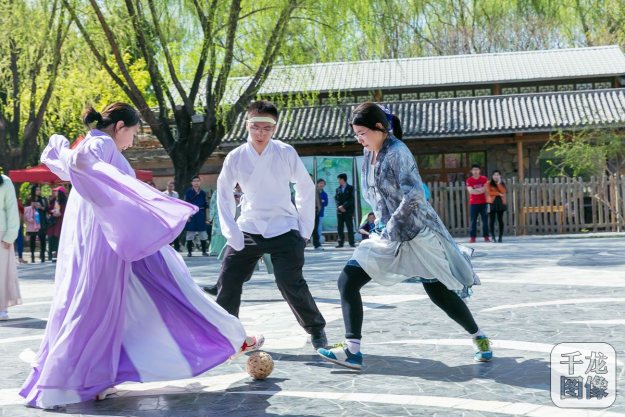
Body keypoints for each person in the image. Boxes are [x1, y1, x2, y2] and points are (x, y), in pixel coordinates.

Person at [20, 103, 257, 409]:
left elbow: (79, 165)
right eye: (133, 132)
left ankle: (97, 376)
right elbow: (81, 163)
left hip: (114, 239)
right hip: (116, 241)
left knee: (123, 302)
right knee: (167, 288)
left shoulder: (95, 144)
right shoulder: (100, 144)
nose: (132, 141)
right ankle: (228, 337)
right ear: (119, 126)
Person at [317, 103, 492, 370]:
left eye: (362, 133)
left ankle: (479, 337)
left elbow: (414, 195)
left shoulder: (398, 152)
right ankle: (352, 351)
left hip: (417, 233)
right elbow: (377, 196)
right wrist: (376, 222)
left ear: (379, 128)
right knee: (348, 281)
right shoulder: (369, 152)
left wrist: (391, 227)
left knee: (438, 292)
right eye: (356, 134)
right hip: (388, 234)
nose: (359, 139)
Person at [213, 100, 327, 350]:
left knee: (289, 281)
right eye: (255, 127)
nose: (260, 134)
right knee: (228, 277)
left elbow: (305, 187)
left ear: (274, 129)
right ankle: (226, 334)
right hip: (249, 225)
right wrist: (231, 232)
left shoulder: (285, 152)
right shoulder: (236, 156)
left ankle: (316, 329)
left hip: (283, 225)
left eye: (267, 128)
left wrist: (304, 228)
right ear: (247, 125)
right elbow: (223, 192)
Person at [0, 173, 22, 320]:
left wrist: (10, 235)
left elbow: (12, 209)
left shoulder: (5, 182)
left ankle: (2, 307)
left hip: (2, 234)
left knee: (2, 273)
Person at [184, 176, 210, 256]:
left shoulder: (203, 193)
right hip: (191, 215)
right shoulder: (188, 192)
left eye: (198, 181)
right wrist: (187, 216)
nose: (196, 182)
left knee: (203, 234)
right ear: (192, 183)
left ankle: (204, 251)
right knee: (190, 234)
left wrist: (207, 218)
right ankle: (189, 252)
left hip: (201, 215)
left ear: (200, 182)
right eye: (194, 181)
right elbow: (186, 205)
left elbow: (206, 206)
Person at [466, 164, 490, 243]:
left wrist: (476, 190)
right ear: (471, 171)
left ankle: (486, 237)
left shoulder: (484, 179)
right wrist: (480, 190)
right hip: (474, 203)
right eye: (474, 170)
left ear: (479, 171)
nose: (475, 171)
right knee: (473, 221)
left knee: (485, 220)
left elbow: (485, 188)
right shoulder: (469, 180)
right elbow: (471, 191)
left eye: (477, 170)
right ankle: (472, 238)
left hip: (484, 203)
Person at [46, 186, 67, 262]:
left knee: (59, 239)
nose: (55, 192)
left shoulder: (64, 202)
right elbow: (48, 209)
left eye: (57, 191)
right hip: (52, 224)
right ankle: (51, 255)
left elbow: (65, 213)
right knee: (51, 239)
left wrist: (59, 214)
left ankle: (58, 255)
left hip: (60, 223)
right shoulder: (53, 200)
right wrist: (51, 211)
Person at [335, 173, 355, 248]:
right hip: (340, 212)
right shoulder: (338, 189)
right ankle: (340, 243)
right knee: (340, 227)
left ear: (343, 179)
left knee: (350, 227)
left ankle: (351, 243)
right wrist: (339, 207)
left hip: (348, 211)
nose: (338, 181)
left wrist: (343, 206)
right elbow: (336, 199)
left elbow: (351, 199)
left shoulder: (350, 188)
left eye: (339, 179)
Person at [486, 170, 507, 243]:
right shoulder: (488, 183)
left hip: (500, 203)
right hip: (491, 203)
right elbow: (489, 192)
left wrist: (498, 184)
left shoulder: (502, 183)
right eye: (494, 175)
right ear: (492, 176)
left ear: (500, 176)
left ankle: (500, 237)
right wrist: (498, 193)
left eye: (497, 175)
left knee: (500, 220)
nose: (496, 176)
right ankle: (493, 237)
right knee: (491, 220)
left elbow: (503, 191)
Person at [29, 185, 49, 261]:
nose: (38, 191)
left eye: (39, 190)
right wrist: (31, 206)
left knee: (42, 239)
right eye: (37, 190)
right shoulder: (30, 199)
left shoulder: (43, 199)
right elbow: (26, 210)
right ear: (33, 191)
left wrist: (40, 207)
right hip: (32, 222)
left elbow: (47, 209)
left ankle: (43, 256)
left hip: (41, 221)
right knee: (32, 239)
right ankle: (32, 256)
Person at [164, 180, 181, 251]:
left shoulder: (176, 194)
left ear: (173, 187)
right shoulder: (163, 194)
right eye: (169, 186)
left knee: (175, 231)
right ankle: (168, 246)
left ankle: (177, 247)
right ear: (167, 186)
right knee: (167, 231)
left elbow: (178, 204)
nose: (170, 187)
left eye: (172, 186)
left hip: (174, 215)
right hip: (167, 215)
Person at [24, 198, 42, 263]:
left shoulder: (36, 209)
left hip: (36, 227)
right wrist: (32, 220)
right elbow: (26, 216)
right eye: (33, 202)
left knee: (34, 241)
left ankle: (34, 255)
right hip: (30, 227)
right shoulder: (27, 208)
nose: (34, 203)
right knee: (31, 241)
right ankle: (32, 255)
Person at [316, 179, 328, 243]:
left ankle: (318, 239)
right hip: (313, 213)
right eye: (320, 183)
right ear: (317, 184)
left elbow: (326, 203)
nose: (321, 184)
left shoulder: (324, 194)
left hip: (320, 213)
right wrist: (320, 201)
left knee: (319, 226)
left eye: (323, 183)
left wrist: (321, 201)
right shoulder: (313, 192)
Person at [16, 198, 27, 264]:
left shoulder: (19, 206)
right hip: (16, 225)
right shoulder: (17, 205)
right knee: (19, 241)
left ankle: (20, 258)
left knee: (20, 242)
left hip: (18, 225)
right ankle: (20, 258)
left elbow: (22, 215)